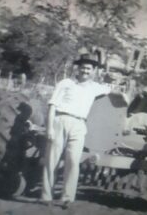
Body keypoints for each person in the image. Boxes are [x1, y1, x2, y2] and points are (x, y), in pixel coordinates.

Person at [41, 53, 126, 208]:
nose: (85, 71)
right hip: (60, 120)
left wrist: (124, 97)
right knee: (51, 160)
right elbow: (52, 105)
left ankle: (67, 198)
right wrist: (49, 128)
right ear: (78, 68)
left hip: (80, 124)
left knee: (73, 161)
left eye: (88, 68)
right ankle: (46, 196)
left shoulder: (96, 87)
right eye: (83, 68)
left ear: (93, 71)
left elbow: (115, 92)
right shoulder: (65, 83)